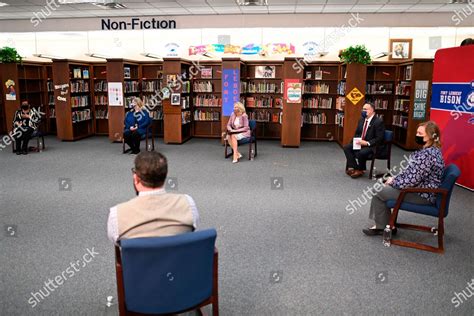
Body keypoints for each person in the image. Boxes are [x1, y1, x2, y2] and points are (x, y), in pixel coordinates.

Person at [363, 121, 445, 236]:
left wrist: (394, 182)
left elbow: (413, 180)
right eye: (417, 132)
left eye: (420, 133)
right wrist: (394, 178)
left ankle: (384, 226)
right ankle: (386, 225)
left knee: (378, 190)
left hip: (421, 194)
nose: (417, 135)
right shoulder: (431, 151)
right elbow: (411, 172)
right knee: (380, 188)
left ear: (430, 136)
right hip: (419, 189)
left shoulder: (428, 155)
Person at [107, 151, 199, 244]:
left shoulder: (117, 214)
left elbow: (117, 243)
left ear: (136, 179)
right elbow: (191, 230)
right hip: (178, 258)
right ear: (165, 176)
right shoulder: (188, 203)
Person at [343, 102, 385, 178]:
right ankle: (357, 168)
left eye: (365, 109)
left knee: (361, 152)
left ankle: (359, 170)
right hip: (361, 142)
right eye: (363, 109)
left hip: (372, 146)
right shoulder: (361, 120)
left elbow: (379, 138)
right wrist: (355, 142)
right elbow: (357, 133)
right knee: (346, 147)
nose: (363, 111)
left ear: (372, 110)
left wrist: (367, 143)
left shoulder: (378, 122)